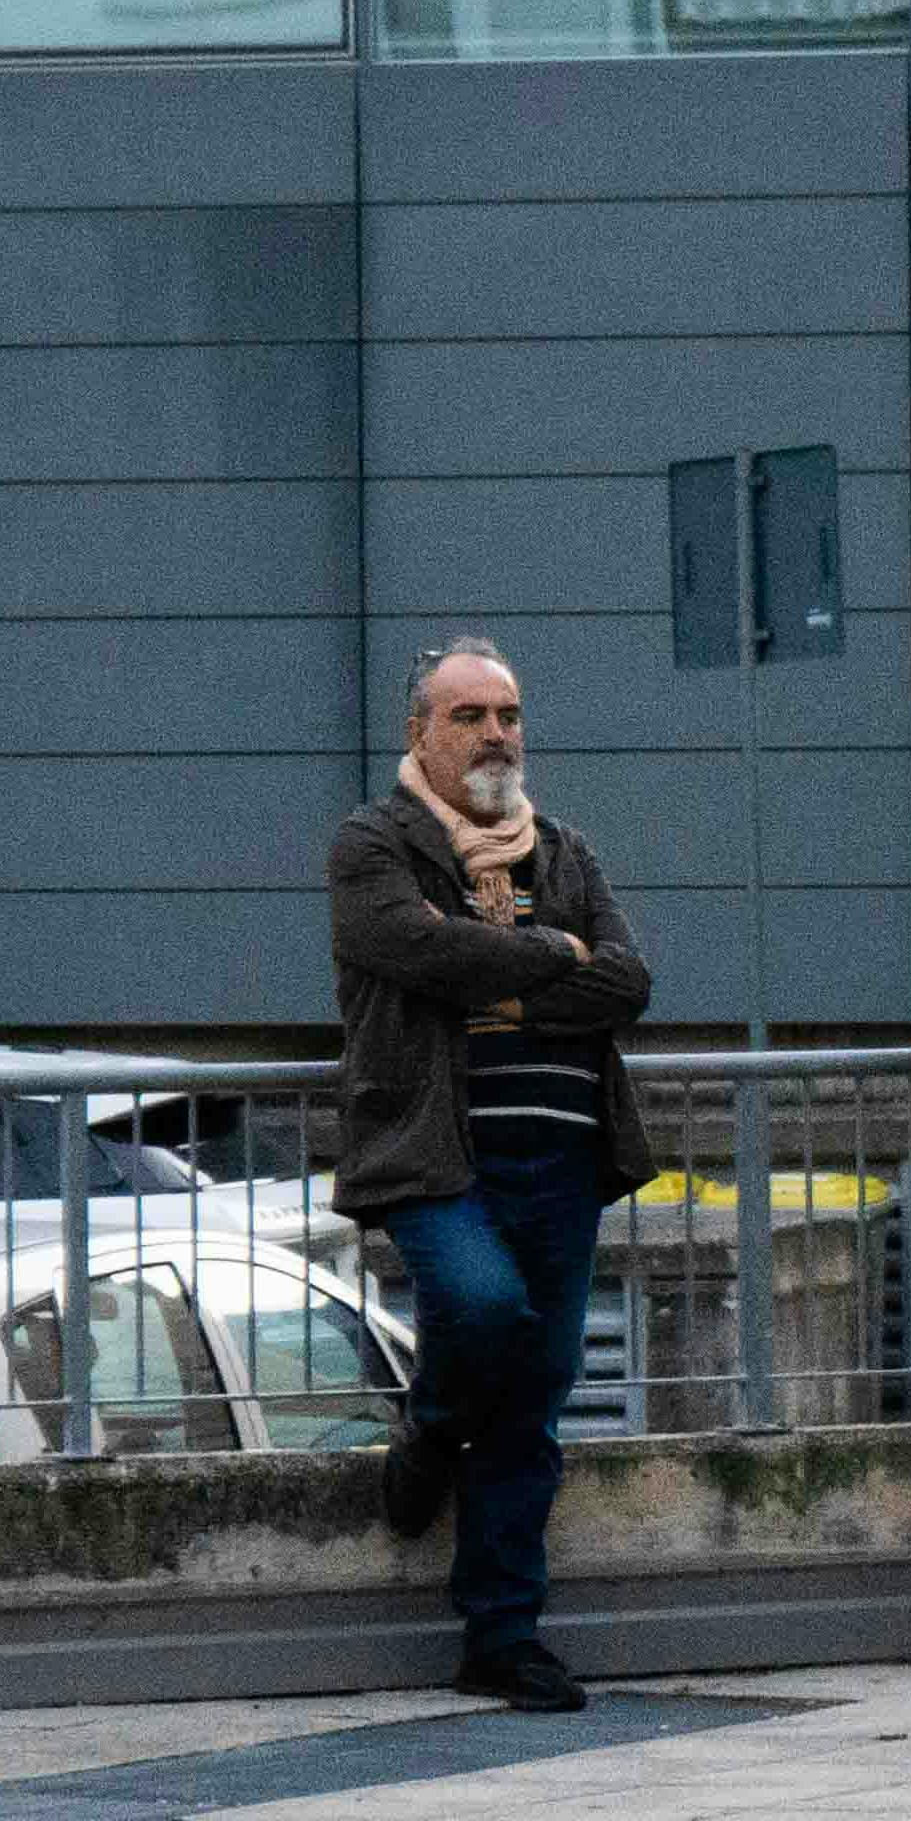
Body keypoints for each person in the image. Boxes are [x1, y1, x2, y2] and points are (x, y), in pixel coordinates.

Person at [331, 636, 658, 1717]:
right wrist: (553, 959)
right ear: (419, 729)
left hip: (561, 1159)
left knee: (533, 1397)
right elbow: (413, 953)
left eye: (508, 714)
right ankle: (427, 1426)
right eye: (468, 715)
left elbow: (626, 980)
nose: (494, 735)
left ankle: (503, 1635)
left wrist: (514, 979)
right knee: (478, 1307)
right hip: (437, 1152)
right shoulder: (375, 844)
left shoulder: (563, 849)